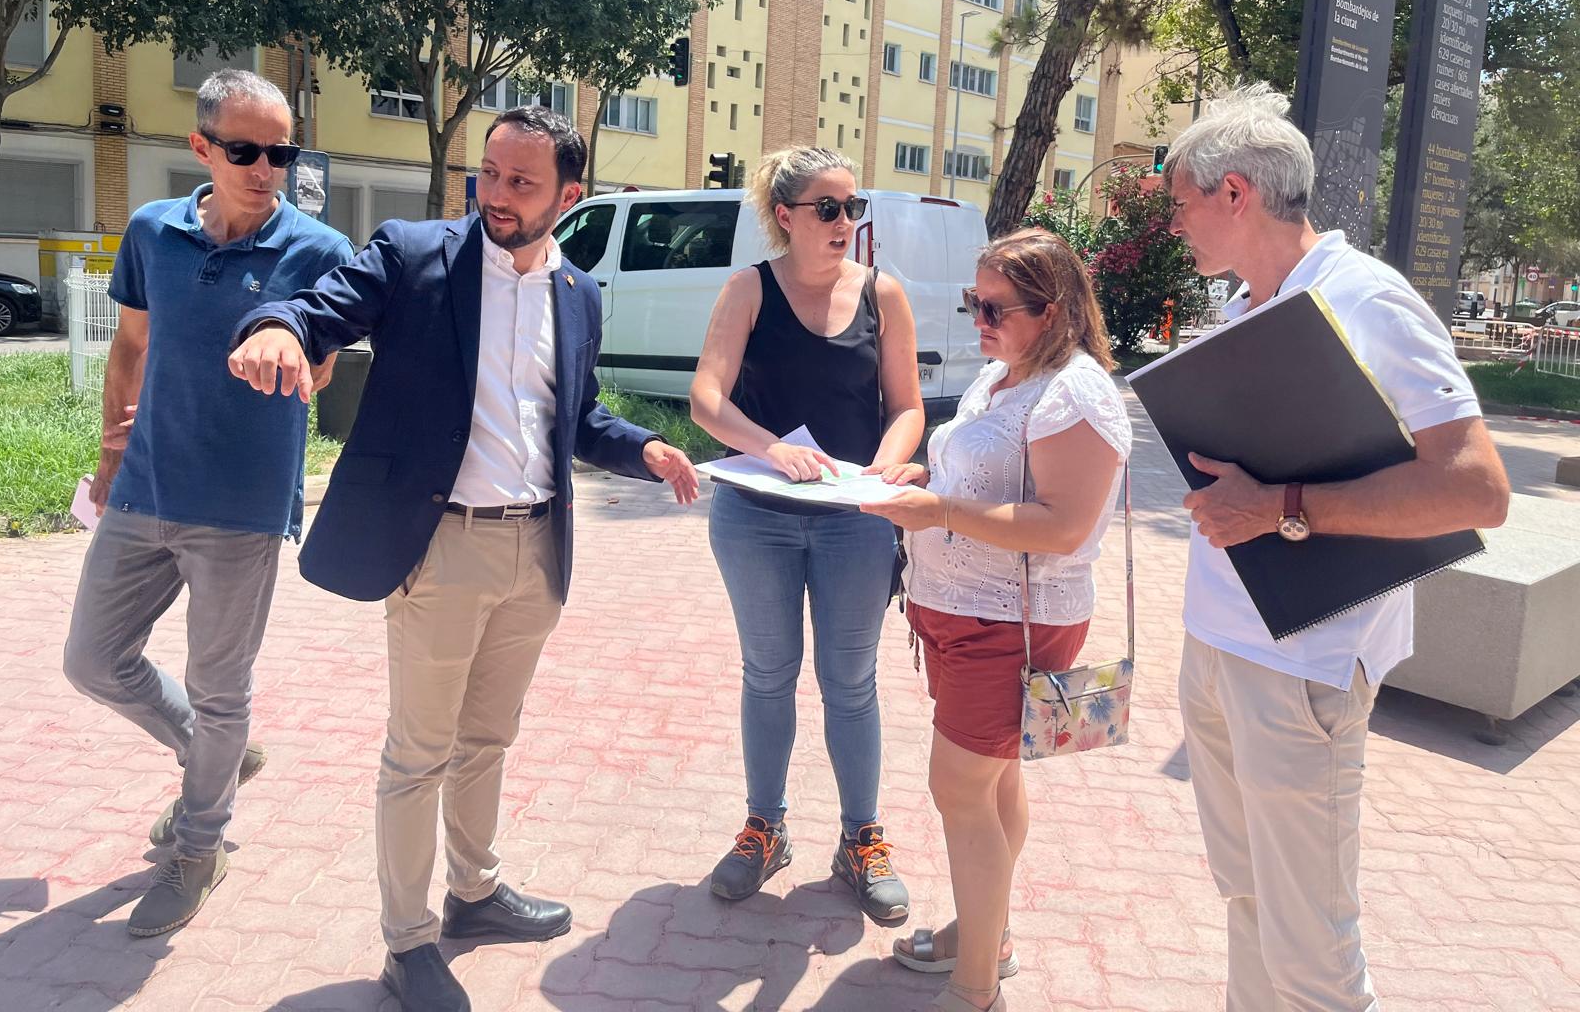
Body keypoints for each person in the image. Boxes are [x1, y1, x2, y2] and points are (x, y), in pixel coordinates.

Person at [228, 106, 700, 1012]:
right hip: (441, 547)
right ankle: (407, 944)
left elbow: (575, 417)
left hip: (537, 549)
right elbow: (321, 307)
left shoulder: (578, 293)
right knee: (419, 753)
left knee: (488, 740)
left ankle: (474, 893)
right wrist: (282, 326)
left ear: (570, 196)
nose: (497, 195)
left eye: (522, 182)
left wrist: (641, 447)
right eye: (489, 174)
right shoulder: (415, 254)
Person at [1163, 84, 1510, 1009]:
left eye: (1179, 203)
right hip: (1219, 645)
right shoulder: (1249, 306)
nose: (1174, 226)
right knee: (1245, 900)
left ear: (1234, 193)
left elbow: (1477, 489)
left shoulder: (1368, 300)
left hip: (1304, 665)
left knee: (1312, 947)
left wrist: (1281, 505)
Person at [61, 69, 354, 937]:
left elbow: (326, 362)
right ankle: (213, 758)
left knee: (220, 690)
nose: (267, 167)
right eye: (246, 149)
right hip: (144, 488)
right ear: (202, 147)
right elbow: (132, 345)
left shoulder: (319, 250)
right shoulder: (153, 232)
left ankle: (200, 845)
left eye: (282, 151)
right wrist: (109, 454)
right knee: (91, 659)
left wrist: (295, 350)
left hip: (240, 506)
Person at [863, 227, 1131, 1012]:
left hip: (1012, 624)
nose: (978, 319)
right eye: (971, 302)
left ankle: (976, 985)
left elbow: (1063, 527)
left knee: (960, 789)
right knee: (994, 781)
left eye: (994, 307)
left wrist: (941, 506)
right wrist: (926, 475)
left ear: (1051, 311)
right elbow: (984, 472)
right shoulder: (1005, 375)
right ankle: (989, 933)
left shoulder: (1074, 391)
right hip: (960, 616)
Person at [688, 146, 924, 923]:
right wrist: (770, 448)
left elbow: (908, 407)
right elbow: (706, 401)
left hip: (855, 523)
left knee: (851, 681)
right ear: (784, 216)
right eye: (829, 208)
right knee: (767, 672)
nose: (845, 223)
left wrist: (883, 474)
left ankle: (861, 837)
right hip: (756, 516)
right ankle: (766, 827)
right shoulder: (748, 289)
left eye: (854, 208)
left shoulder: (884, 294)